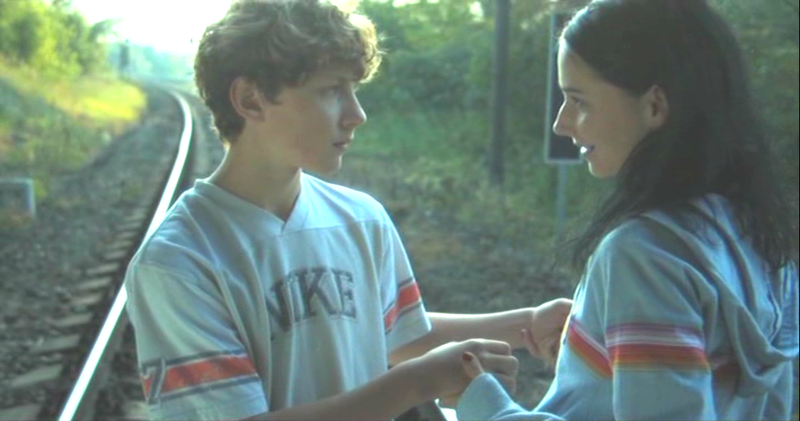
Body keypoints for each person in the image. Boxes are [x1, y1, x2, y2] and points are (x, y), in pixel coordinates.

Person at [123, 0, 572, 420]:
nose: (357, 114)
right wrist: (419, 381)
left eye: (353, 90)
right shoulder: (180, 262)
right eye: (331, 91)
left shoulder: (362, 219)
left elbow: (397, 334)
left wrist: (527, 324)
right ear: (251, 100)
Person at [454, 0, 800, 420]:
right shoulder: (758, 233)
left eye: (579, 101)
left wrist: (484, 403)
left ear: (654, 106)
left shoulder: (644, 256)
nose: (561, 124)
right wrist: (597, 354)